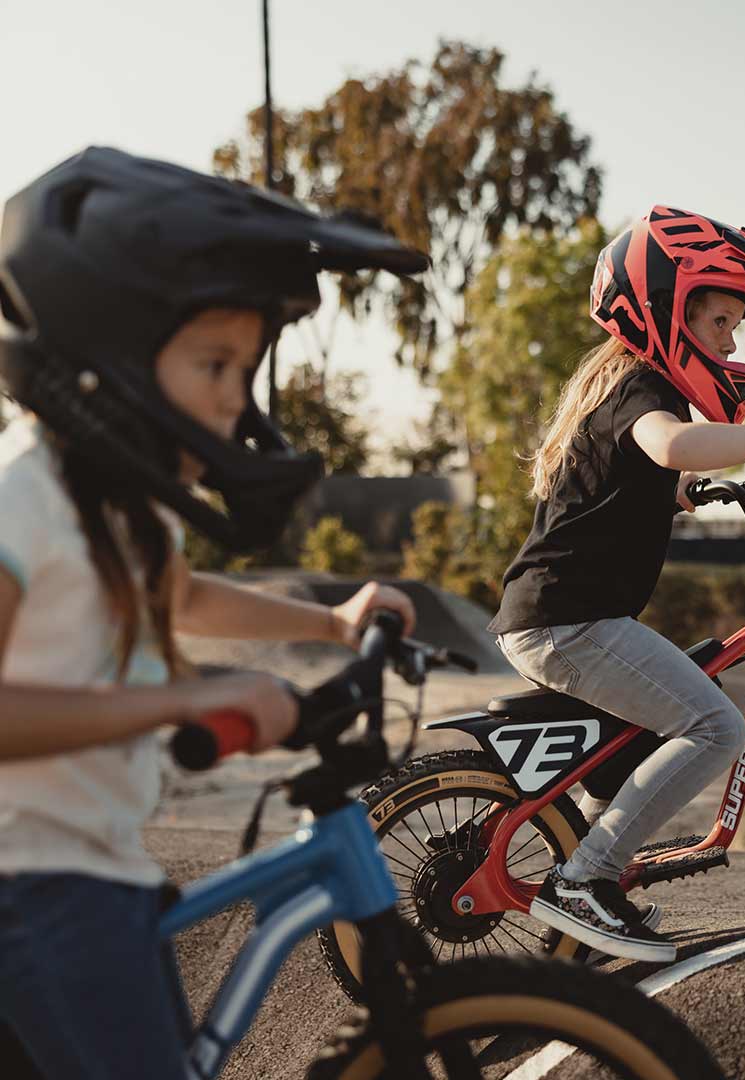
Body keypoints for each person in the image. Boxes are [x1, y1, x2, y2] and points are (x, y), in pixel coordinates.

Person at [0, 146, 427, 1079]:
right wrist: (175, 705)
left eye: (249, 367)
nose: (238, 403)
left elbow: (182, 598)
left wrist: (330, 620)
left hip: (98, 867)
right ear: (105, 353)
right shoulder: (19, 504)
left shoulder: (121, 509)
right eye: (215, 364)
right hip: (31, 886)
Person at [488, 206, 745, 963]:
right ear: (671, 309)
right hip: (569, 624)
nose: (732, 341)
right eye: (720, 321)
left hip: (554, 619)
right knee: (714, 725)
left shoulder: (620, 396)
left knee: (631, 749)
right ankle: (586, 881)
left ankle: (584, 884)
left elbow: (639, 474)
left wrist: (675, 495)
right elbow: (673, 444)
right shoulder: (646, 395)